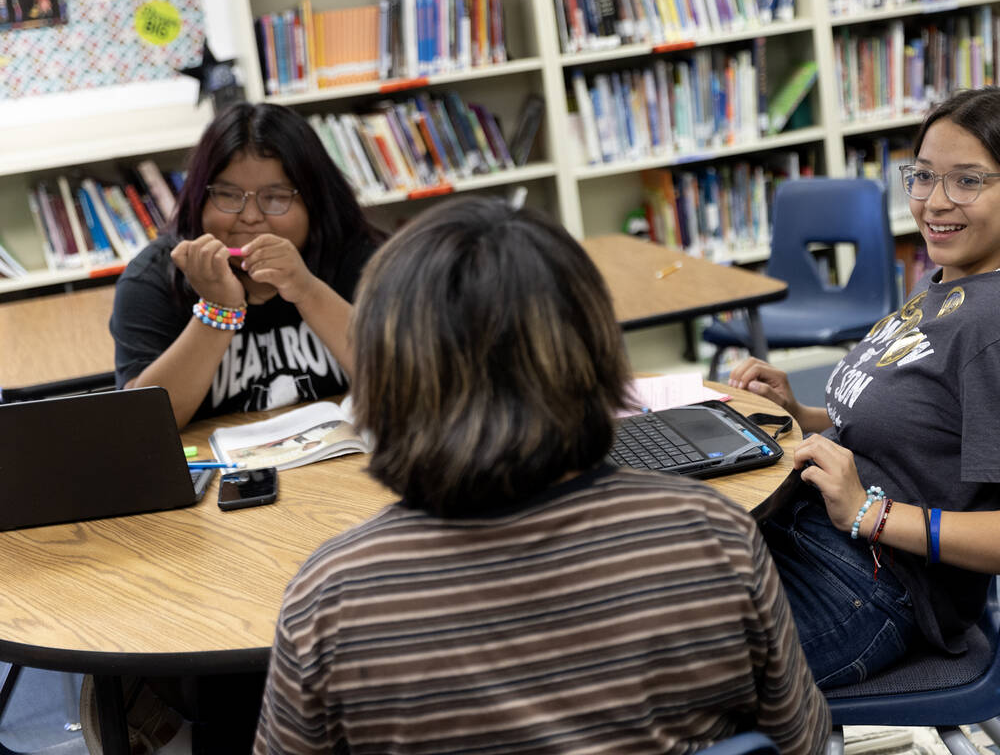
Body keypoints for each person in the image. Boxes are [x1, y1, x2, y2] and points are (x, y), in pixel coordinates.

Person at [254, 196, 831, 754]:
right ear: (595, 348)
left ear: (387, 373)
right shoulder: (714, 535)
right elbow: (799, 739)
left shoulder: (332, 597)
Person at [730, 87, 1000, 688]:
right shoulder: (952, 278)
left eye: (967, 181)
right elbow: (914, 433)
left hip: (868, 590)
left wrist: (870, 512)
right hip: (816, 535)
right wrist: (802, 413)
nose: (934, 203)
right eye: (922, 176)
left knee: (629, 667)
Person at [110, 102, 378, 427]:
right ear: (198, 200)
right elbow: (144, 425)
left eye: (277, 197)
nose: (250, 217)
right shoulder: (151, 278)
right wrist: (218, 309)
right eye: (227, 195)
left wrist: (307, 290)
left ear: (315, 201)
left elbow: (409, 390)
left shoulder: (366, 260)